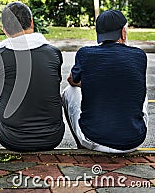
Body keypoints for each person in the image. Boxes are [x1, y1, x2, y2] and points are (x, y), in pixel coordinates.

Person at [0, 2, 65, 151]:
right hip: (53, 137)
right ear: (32, 22)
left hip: (12, 139)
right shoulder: (53, 53)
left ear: (4, 30)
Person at [63, 10, 148, 153]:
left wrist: (94, 82)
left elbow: (71, 80)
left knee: (68, 92)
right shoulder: (139, 55)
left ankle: (81, 147)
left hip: (94, 140)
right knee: (140, 93)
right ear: (123, 32)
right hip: (133, 141)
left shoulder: (85, 54)